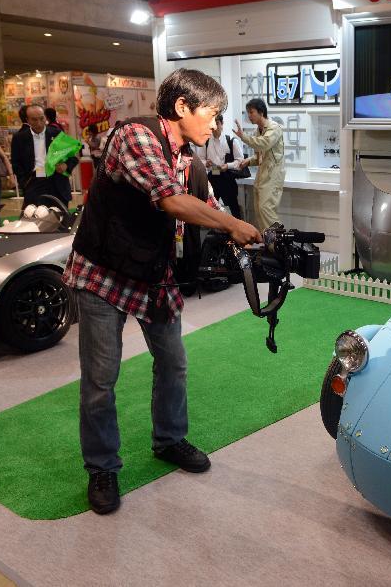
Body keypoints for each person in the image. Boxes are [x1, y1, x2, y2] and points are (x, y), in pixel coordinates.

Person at [64, 68, 261, 515]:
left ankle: (169, 440)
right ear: (181, 107)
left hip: (151, 271)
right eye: (211, 115)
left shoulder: (189, 158)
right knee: (100, 379)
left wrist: (253, 236)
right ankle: (102, 467)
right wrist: (233, 225)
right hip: (103, 272)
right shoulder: (134, 137)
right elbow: (170, 200)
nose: (216, 126)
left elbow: (207, 206)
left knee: (173, 363)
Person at [10, 104, 78, 207]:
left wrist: (66, 165)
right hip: (34, 182)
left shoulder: (57, 133)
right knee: (34, 219)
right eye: (34, 120)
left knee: (60, 219)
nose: (39, 123)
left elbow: (73, 157)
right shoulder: (19, 138)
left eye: (42, 118)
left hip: (57, 182)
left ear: (45, 117)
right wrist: (25, 182)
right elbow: (16, 163)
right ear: (27, 120)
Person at [233, 98, 285, 230]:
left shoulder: (274, 128)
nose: (249, 116)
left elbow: (264, 143)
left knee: (265, 209)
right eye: (248, 113)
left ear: (261, 112)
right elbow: (259, 157)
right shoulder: (258, 131)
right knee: (259, 211)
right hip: (262, 176)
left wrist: (243, 137)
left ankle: (278, 243)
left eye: (251, 112)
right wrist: (248, 161)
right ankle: (268, 243)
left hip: (273, 176)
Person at [202, 114, 244, 219]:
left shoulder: (231, 141)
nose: (215, 127)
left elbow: (240, 161)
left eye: (217, 123)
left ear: (222, 124)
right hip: (212, 176)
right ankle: (216, 231)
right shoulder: (206, 142)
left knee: (233, 206)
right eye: (212, 124)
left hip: (227, 177)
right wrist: (205, 163)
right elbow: (200, 159)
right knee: (211, 207)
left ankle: (239, 229)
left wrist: (228, 165)